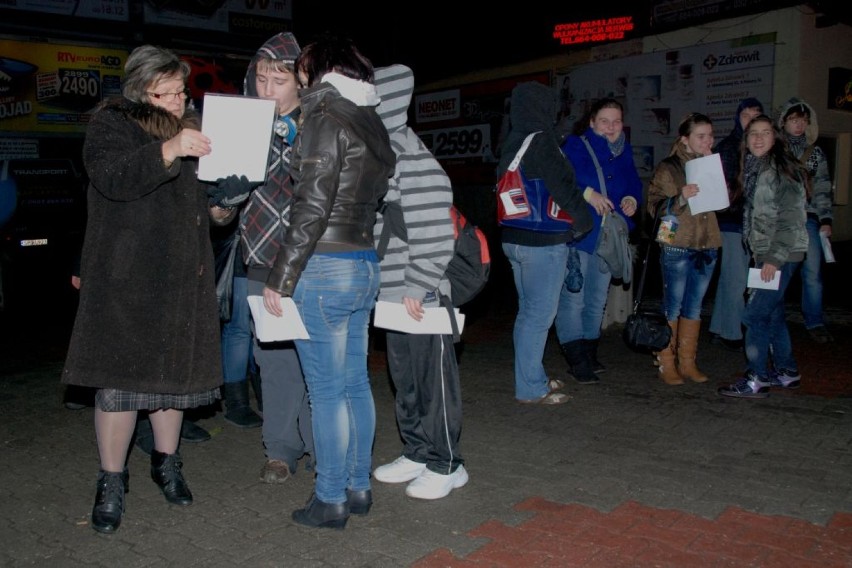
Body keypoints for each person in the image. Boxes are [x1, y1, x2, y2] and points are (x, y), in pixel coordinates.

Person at [61, 45, 251, 534]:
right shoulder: (111, 124)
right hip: (128, 278)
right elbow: (112, 179)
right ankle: (111, 480)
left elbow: (208, 213)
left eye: (180, 91)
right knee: (120, 385)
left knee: (172, 384)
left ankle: (167, 464)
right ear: (139, 91)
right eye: (163, 92)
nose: (175, 100)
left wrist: (225, 203)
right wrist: (170, 148)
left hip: (183, 276)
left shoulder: (197, 129)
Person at [261, 36, 395, 529]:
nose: (299, 79)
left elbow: (312, 205)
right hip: (363, 262)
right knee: (355, 383)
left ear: (319, 69)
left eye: (300, 71)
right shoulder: (370, 119)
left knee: (326, 391)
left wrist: (281, 276)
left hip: (324, 265)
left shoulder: (325, 114)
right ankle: (358, 488)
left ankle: (330, 497)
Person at [370, 64, 468, 500]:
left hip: (420, 293)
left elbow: (433, 224)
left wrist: (420, 282)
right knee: (404, 378)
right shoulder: (381, 150)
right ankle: (416, 450)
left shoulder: (408, 152)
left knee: (435, 383)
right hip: (393, 293)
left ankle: (448, 462)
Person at [239, 31, 314, 482]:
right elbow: (223, 207)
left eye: (278, 80)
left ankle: (323, 448)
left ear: (300, 83)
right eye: (261, 79)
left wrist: (292, 143)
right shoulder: (243, 124)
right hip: (261, 256)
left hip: (311, 259)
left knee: (318, 362)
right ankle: (280, 449)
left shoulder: (320, 123)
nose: (267, 90)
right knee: (274, 359)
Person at [498, 81, 593, 405]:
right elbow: (563, 187)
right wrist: (584, 221)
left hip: (514, 238)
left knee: (529, 313)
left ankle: (531, 375)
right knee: (539, 314)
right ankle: (530, 387)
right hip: (542, 240)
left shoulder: (512, 142)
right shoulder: (541, 141)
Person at [718, 114, 808, 398]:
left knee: (754, 315)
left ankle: (757, 378)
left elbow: (791, 219)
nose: (758, 138)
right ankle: (786, 370)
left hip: (780, 255)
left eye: (765, 133)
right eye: (753, 133)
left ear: (775, 137)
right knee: (774, 314)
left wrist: (772, 259)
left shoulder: (783, 169)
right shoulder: (756, 168)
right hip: (765, 254)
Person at [554, 98, 642, 384]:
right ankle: (577, 359)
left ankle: (590, 353)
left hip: (608, 238)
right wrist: (588, 193)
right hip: (580, 235)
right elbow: (562, 180)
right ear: (592, 122)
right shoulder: (576, 145)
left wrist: (631, 199)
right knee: (574, 299)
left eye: (616, 121)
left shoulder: (623, 150)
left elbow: (632, 183)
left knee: (597, 299)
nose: (611, 127)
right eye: (604, 121)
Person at [646, 113, 721, 385]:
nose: (707, 141)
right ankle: (666, 361)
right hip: (677, 244)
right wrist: (680, 197)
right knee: (673, 306)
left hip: (707, 243)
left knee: (695, 307)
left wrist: (717, 177)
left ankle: (688, 361)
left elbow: (723, 204)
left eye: (710, 135)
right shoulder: (670, 167)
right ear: (685, 139)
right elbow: (654, 206)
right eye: (701, 136)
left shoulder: (711, 164)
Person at [776, 97, 835, 344]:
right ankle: (770, 314)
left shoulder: (816, 153)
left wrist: (825, 218)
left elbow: (822, 186)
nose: (798, 125)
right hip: (780, 218)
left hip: (808, 217)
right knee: (776, 268)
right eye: (793, 120)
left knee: (812, 272)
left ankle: (815, 321)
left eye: (803, 120)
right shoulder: (775, 149)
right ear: (784, 122)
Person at [708, 97, 764, 352]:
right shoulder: (729, 147)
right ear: (738, 118)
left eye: (755, 115)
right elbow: (724, 191)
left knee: (732, 278)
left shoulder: (761, 148)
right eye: (745, 116)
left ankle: (720, 327)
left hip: (752, 224)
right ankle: (732, 331)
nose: (750, 120)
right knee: (736, 279)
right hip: (733, 223)